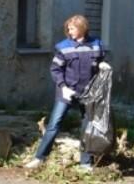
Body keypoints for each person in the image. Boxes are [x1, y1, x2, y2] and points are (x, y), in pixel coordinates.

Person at [25, 15, 107, 170]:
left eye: (73, 28)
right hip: (67, 92)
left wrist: (103, 65)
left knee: (88, 128)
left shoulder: (96, 45)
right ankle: (39, 158)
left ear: (82, 28)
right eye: (68, 29)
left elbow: (100, 62)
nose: (70, 31)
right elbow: (55, 69)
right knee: (54, 124)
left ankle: (85, 162)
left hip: (88, 93)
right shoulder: (63, 47)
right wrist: (63, 86)